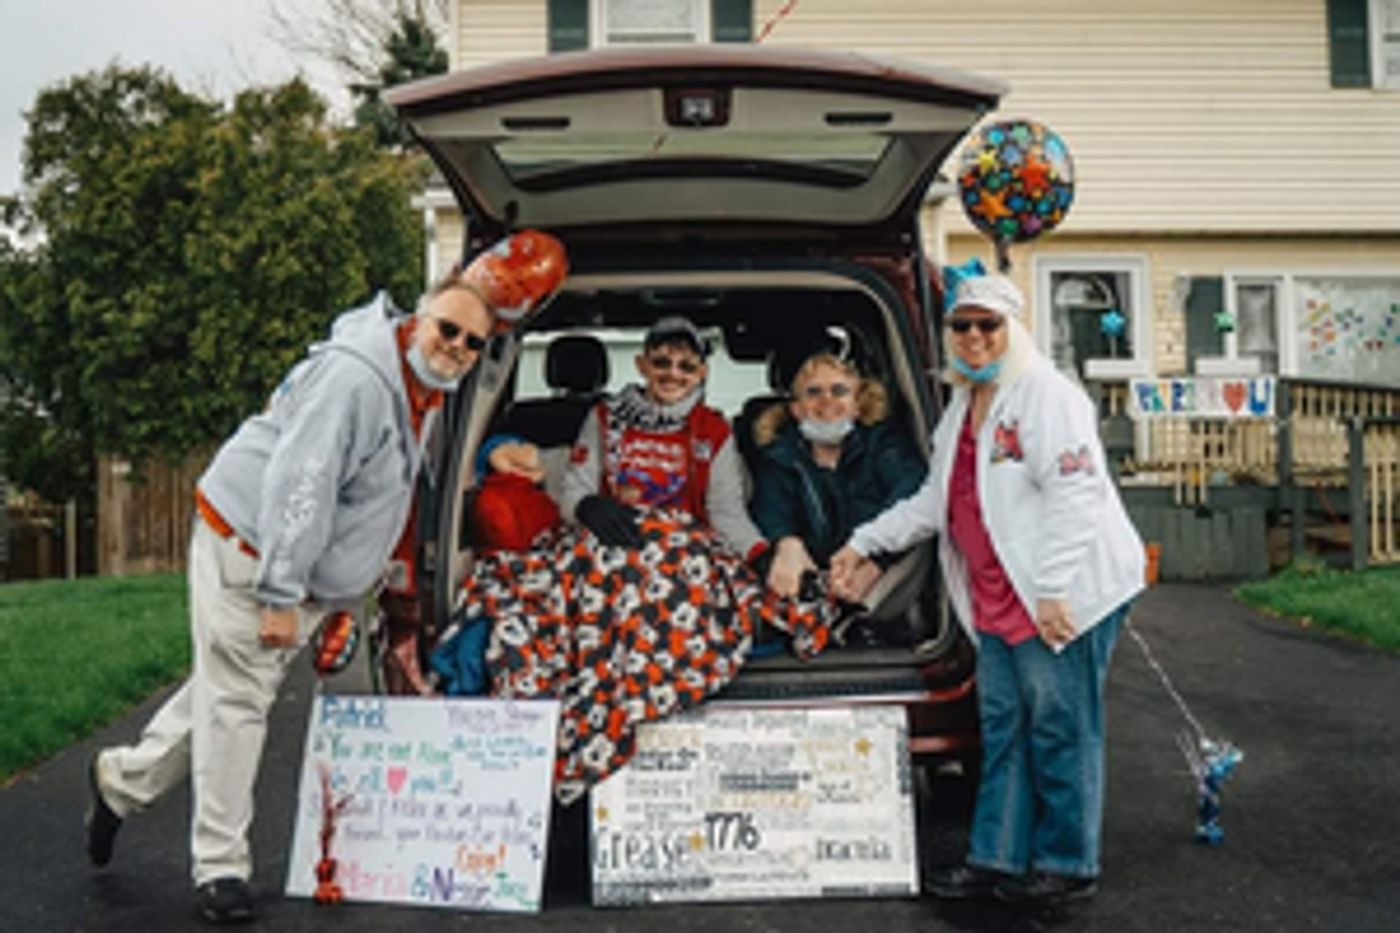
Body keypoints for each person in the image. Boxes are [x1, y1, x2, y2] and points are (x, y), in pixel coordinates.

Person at [85, 272, 494, 923]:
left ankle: (121, 782)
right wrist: (279, 591)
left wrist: (348, 589)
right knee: (240, 703)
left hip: (300, 564)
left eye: (473, 341)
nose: (457, 345)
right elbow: (299, 485)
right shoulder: (358, 380)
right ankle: (220, 866)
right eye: (448, 327)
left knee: (228, 687)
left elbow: (373, 498)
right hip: (253, 543)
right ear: (418, 317)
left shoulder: (422, 385)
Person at [831, 274, 1144, 908]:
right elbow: (934, 501)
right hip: (999, 599)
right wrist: (866, 541)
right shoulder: (963, 405)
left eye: (988, 325)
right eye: (962, 326)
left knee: (1060, 727)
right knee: (1004, 728)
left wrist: (1054, 589)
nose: (974, 337)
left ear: (1013, 329)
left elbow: (1076, 492)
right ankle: (995, 859)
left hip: (1058, 596)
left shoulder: (1047, 395)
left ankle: (1066, 864)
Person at [461, 316, 837, 803]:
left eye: (685, 365)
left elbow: (725, 515)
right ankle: (604, 696)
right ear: (642, 364)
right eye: (661, 361)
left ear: (702, 373)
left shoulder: (713, 432)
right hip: (606, 541)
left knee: (682, 577)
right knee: (551, 592)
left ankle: (624, 693)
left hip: (678, 550)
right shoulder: (604, 418)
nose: (673, 373)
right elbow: (575, 490)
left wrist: (760, 556)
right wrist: (589, 507)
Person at [748, 350, 927, 605]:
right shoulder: (779, 455)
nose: (826, 400)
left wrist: (875, 560)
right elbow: (771, 508)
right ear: (797, 410)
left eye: (839, 391)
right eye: (813, 392)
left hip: (876, 562)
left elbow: (912, 493)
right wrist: (787, 544)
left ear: (857, 406)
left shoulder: (883, 445)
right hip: (811, 572)